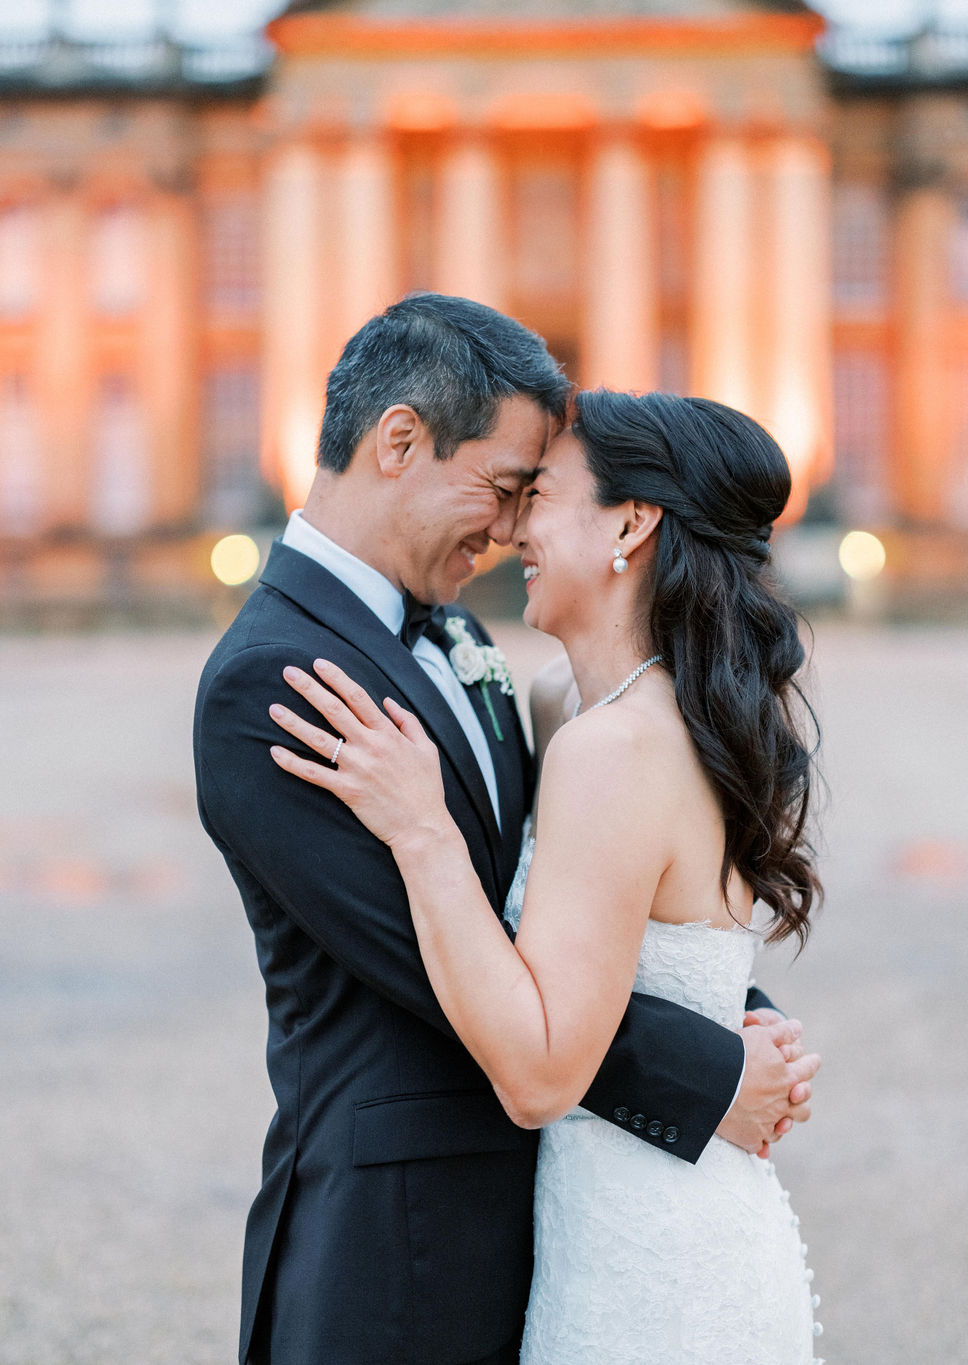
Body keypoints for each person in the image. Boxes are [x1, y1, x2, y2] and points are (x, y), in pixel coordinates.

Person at [194, 293, 818, 1365]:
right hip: (399, 1243)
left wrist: (724, 994)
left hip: (567, 1220)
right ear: (400, 441)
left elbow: (585, 896)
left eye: (537, 497)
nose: (511, 528)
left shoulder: (497, 658)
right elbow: (438, 973)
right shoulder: (272, 682)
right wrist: (706, 1068)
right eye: (502, 488)